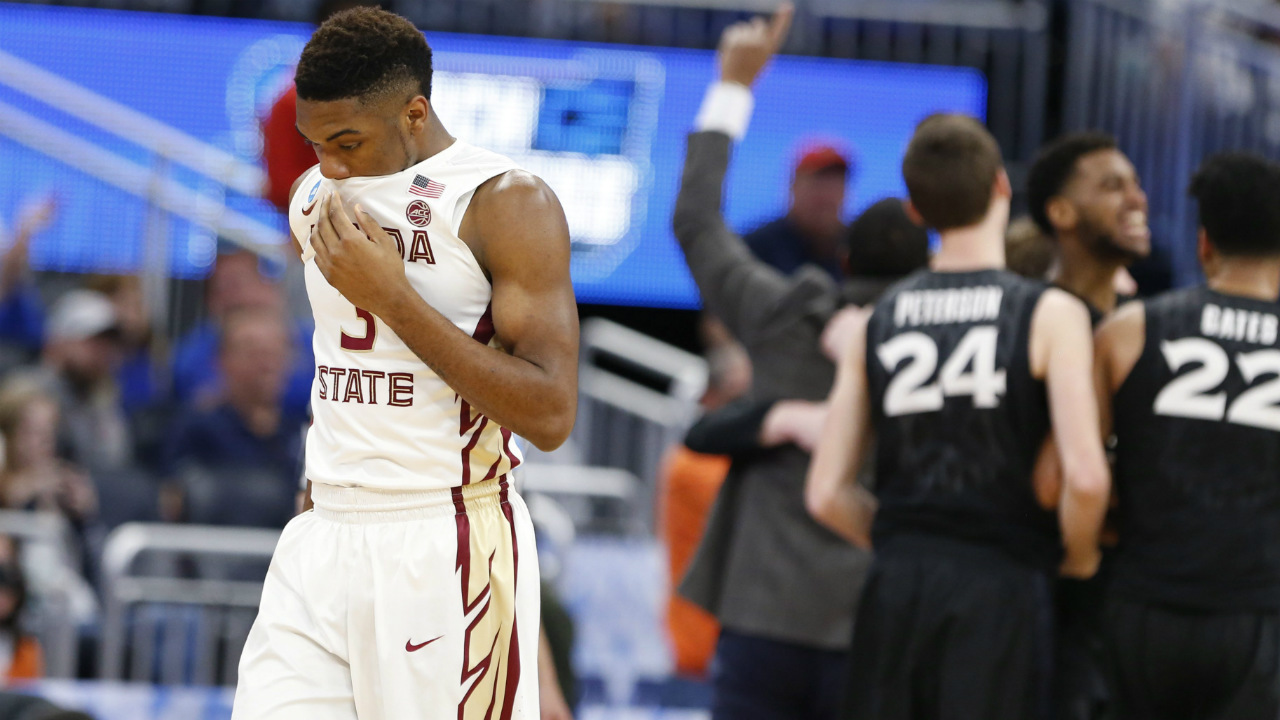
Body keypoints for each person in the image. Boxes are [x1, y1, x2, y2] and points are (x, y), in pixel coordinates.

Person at [231, 7, 578, 720]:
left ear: (415, 113)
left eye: (347, 140)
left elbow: (550, 413)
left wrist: (394, 298)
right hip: (323, 535)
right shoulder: (312, 199)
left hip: (445, 539)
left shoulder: (504, 203)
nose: (328, 165)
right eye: (314, 143)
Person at [805, 114, 1111, 720]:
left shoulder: (879, 318)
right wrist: (1075, 560)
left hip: (897, 586)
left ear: (916, 212)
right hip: (1002, 585)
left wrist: (908, 540)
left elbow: (825, 494)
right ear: (1002, 186)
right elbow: (1087, 477)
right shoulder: (1050, 313)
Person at [671, 6, 883, 718]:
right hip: (875, 614)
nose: (830, 192)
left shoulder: (792, 308)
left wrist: (733, 84)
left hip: (771, 608)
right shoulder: (934, 335)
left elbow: (697, 221)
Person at [1093, 153, 1280, 719]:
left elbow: (1083, 467)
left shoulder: (1127, 331)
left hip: (1141, 604)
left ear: (1204, 244)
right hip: (1258, 613)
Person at [161, 308, 304, 528]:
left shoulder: (302, 434)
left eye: (276, 352)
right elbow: (173, 501)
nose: (267, 364)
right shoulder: (198, 430)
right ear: (222, 359)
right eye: (253, 352)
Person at [1026, 133, 1150, 321]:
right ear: (1061, 213)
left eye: (1136, 185)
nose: (1138, 199)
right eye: (1113, 186)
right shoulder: (1025, 319)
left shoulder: (1146, 324)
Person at [743, 143, 851, 282]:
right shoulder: (756, 247)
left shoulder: (858, 246)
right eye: (818, 183)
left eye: (836, 183)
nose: (827, 195)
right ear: (793, 186)